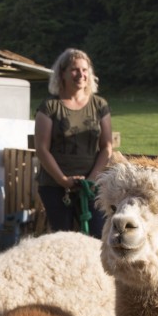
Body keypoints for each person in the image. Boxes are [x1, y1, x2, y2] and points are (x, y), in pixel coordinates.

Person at [34, 48, 113, 237]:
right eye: (74, 70)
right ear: (62, 73)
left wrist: (93, 178)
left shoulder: (99, 105)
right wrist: (63, 180)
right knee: (64, 239)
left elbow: (107, 146)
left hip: (92, 186)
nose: (81, 74)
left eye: (85, 70)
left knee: (97, 236)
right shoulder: (49, 107)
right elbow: (42, 149)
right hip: (55, 186)